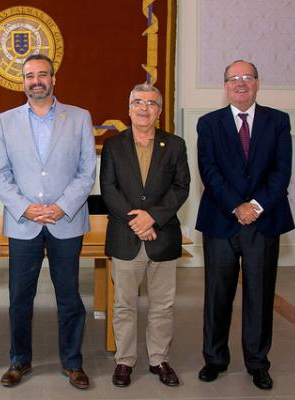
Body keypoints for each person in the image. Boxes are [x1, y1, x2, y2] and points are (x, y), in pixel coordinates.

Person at [0, 54, 96, 389]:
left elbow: (86, 171)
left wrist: (61, 206)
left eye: (42, 74)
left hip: (66, 221)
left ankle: (72, 362)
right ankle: (19, 360)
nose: (36, 80)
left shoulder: (79, 118)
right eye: (29, 76)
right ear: (22, 82)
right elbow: (0, 174)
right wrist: (26, 208)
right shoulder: (5, 121)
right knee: (20, 297)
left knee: (69, 296)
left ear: (54, 79)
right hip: (24, 223)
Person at [196, 60, 294, 390]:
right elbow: (208, 171)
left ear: (257, 83)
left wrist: (254, 206)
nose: (240, 83)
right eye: (233, 78)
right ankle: (215, 359)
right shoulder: (208, 124)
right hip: (221, 220)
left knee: (260, 296)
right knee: (217, 295)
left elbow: (281, 172)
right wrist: (236, 207)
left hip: (263, 222)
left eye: (247, 77)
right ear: (224, 85)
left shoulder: (278, 121)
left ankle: (257, 362)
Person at [100, 83, 190, 388]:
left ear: (159, 111)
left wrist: (153, 217)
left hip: (162, 236)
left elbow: (181, 187)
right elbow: (109, 190)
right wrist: (136, 222)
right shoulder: (113, 146)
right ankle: (124, 361)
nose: (143, 108)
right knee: (124, 305)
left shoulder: (175, 145)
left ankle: (159, 359)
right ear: (128, 108)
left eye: (151, 103)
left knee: (162, 305)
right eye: (137, 102)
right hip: (126, 238)